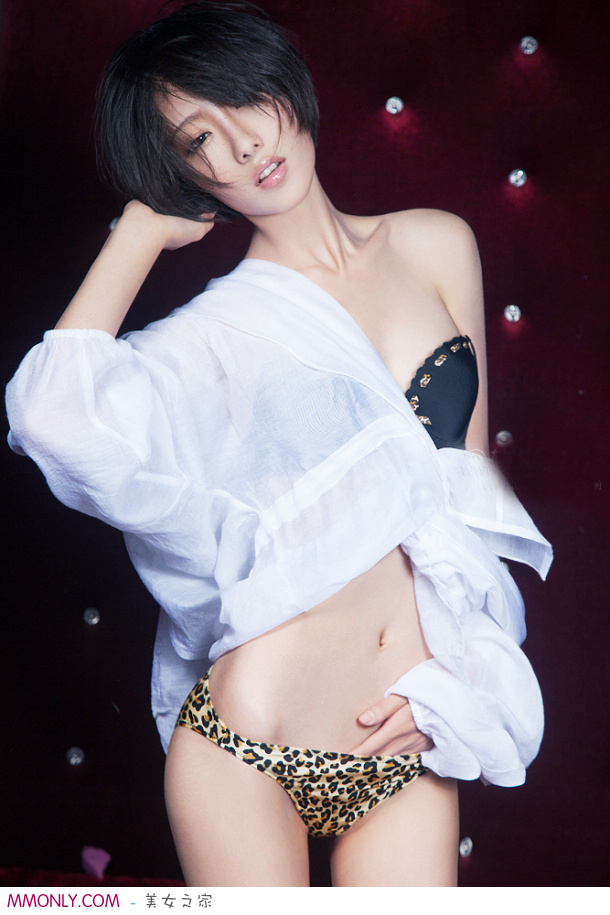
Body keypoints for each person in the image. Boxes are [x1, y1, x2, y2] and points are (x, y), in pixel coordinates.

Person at [5, 1, 552, 887]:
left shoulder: (437, 242)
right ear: (182, 175)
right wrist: (140, 232)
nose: (242, 146)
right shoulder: (218, 334)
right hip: (250, 743)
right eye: (197, 141)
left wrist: (458, 686)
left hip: (403, 733)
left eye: (243, 100)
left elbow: (470, 503)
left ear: (284, 86)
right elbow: (50, 418)